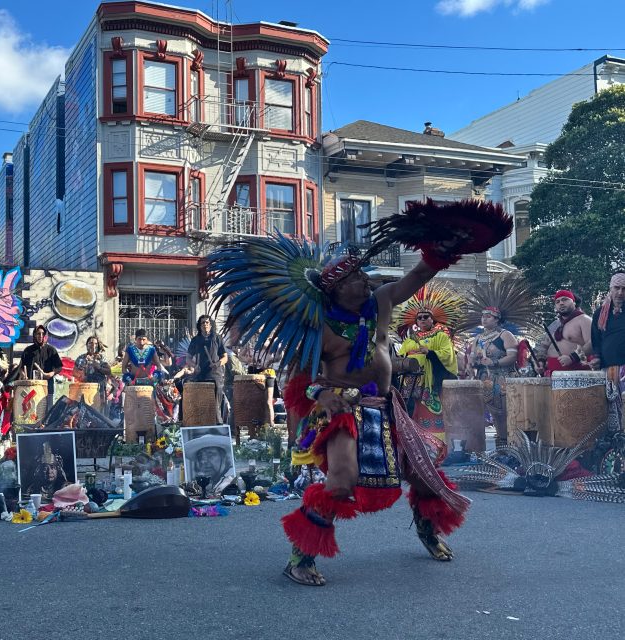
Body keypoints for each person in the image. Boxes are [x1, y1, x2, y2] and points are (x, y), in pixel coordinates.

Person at [208, 198, 513, 586]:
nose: (364, 280)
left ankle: (427, 529)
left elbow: (417, 276)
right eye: (354, 278)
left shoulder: (381, 302)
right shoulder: (319, 330)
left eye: (363, 275)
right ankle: (300, 557)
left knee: (422, 474)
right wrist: (321, 395)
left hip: (387, 409)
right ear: (335, 291)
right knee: (341, 480)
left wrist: (444, 247)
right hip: (343, 411)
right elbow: (301, 380)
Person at [395, 286, 460, 441]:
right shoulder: (411, 339)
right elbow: (401, 355)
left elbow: (448, 355)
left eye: (426, 317)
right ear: (416, 321)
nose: (423, 319)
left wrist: (430, 353)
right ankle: (412, 438)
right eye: (420, 317)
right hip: (410, 380)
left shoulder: (441, 336)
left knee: (429, 407)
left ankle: (434, 440)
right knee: (409, 406)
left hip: (429, 380)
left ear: (433, 319)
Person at [464, 308, 518, 446]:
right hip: (484, 379)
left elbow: (512, 356)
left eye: (488, 316)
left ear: (497, 319)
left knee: (506, 412)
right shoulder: (478, 338)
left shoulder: (505, 335)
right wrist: (471, 365)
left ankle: (508, 445)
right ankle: (486, 445)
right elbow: (472, 358)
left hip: (504, 378)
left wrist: (495, 362)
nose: (484, 319)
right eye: (483, 316)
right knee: (490, 413)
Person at [536, 290, 593, 376]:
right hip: (551, 375)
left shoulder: (584, 319)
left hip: (575, 373)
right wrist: (540, 362)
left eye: (565, 299)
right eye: (557, 302)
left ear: (574, 302)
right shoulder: (555, 324)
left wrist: (573, 358)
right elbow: (543, 346)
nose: (561, 303)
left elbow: (592, 343)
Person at [185, 315, 228, 424]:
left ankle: (219, 424)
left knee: (216, 403)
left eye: (207, 322)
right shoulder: (196, 340)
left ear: (211, 324)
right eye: (202, 323)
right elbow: (188, 358)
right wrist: (194, 366)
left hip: (215, 375)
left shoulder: (217, 338)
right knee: (202, 402)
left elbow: (225, 357)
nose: (205, 324)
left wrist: (217, 363)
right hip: (200, 375)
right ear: (199, 326)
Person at [590, 273, 625, 371]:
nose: (620, 292)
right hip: (607, 369)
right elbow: (596, 340)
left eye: (624, 289)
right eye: (617, 288)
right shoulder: (600, 313)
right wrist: (596, 358)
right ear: (611, 289)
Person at [17, 326, 63, 397]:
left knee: (47, 407)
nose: (40, 336)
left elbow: (59, 367)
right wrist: (23, 375)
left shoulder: (51, 350)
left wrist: (51, 373)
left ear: (45, 335)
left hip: (47, 388)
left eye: (43, 333)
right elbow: (20, 367)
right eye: (38, 334)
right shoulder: (28, 350)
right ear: (35, 335)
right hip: (31, 387)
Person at [74, 335, 111, 401]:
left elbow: (108, 371)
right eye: (91, 343)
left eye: (95, 343)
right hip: (85, 388)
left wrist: (98, 367)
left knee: (98, 409)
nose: (93, 345)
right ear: (87, 345)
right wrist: (82, 374)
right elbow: (74, 372)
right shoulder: (81, 358)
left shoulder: (101, 358)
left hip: (99, 389)